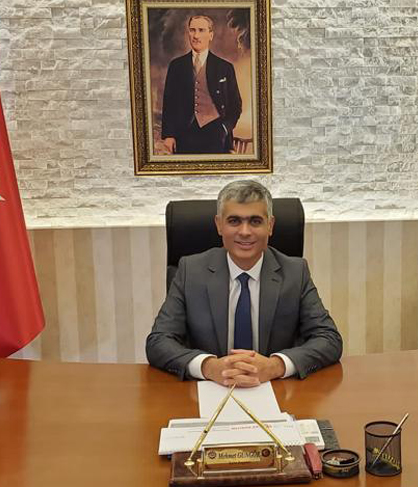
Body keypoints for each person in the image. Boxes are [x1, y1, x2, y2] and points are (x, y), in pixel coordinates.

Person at [146, 180, 343, 386]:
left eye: (255, 221)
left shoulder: (295, 272)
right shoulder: (191, 271)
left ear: (270, 225)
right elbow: (158, 341)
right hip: (210, 389)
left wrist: (275, 366)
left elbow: (329, 338)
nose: (245, 232)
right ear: (219, 225)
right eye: (234, 221)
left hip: (275, 390)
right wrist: (208, 367)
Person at [161, 15, 242, 154]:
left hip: (216, 136)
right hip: (184, 135)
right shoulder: (176, 66)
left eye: (201, 30)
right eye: (192, 30)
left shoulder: (225, 67)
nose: (196, 35)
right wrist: (169, 135)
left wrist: (224, 128)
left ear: (211, 35)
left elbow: (236, 105)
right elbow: (169, 104)